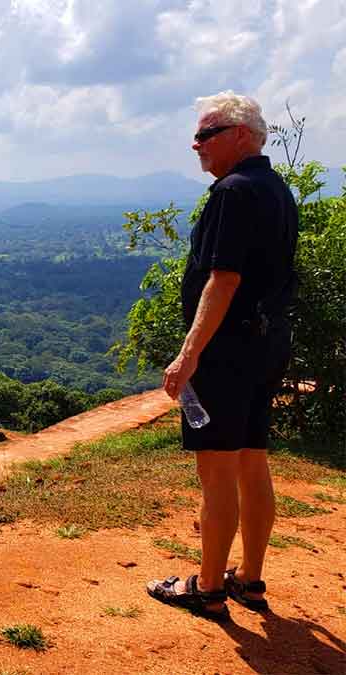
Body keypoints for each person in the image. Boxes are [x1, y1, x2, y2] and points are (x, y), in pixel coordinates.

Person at [146, 91, 298, 620]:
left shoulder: (233, 191)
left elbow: (224, 279)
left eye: (206, 134)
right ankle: (249, 579)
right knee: (252, 463)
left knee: (217, 472)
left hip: (227, 352)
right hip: (268, 342)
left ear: (240, 135)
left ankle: (207, 587)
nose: (196, 144)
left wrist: (188, 355)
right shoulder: (274, 187)